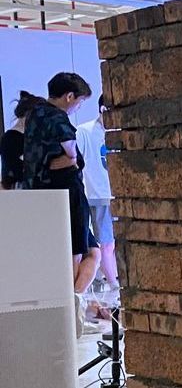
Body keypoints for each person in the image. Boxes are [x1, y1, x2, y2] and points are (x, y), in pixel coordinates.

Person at [18, 73, 103, 335]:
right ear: (69, 97)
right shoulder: (57, 118)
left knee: (77, 252)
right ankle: (71, 314)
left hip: (41, 197)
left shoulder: (34, 116)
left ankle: (71, 310)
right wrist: (70, 161)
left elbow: (35, 160)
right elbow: (73, 156)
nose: (78, 107)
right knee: (78, 251)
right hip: (67, 192)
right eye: (79, 102)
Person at [75, 112, 117, 297]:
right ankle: (115, 286)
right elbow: (76, 162)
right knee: (105, 244)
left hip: (114, 194)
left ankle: (114, 282)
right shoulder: (84, 131)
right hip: (96, 194)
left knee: (111, 244)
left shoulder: (114, 131)